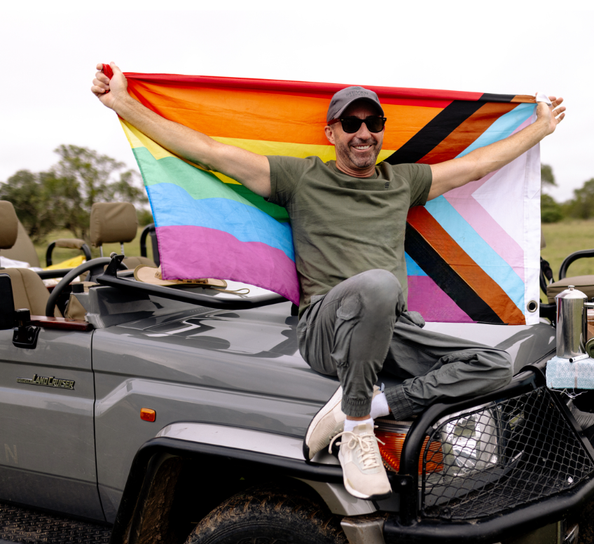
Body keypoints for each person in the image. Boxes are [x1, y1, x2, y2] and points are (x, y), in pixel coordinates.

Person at [91, 63, 566, 500]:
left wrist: (541, 128)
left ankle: (374, 405)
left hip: (391, 330)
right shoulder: (301, 178)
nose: (364, 133)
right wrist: (124, 104)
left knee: (494, 366)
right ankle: (357, 427)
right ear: (331, 131)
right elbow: (210, 151)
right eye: (351, 123)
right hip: (323, 327)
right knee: (379, 283)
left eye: (373, 124)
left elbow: (476, 165)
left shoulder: (401, 181)